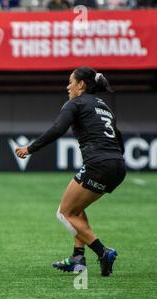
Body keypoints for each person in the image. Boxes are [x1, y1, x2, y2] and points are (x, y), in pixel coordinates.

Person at [15, 67, 126, 277]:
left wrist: (30, 149)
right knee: (76, 208)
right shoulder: (104, 107)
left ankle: (103, 252)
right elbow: (118, 138)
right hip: (117, 165)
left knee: (64, 213)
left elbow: (58, 129)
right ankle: (77, 258)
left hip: (98, 164)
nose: (68, 87)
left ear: (81, 84)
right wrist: (113, 160)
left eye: (70, 82)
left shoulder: (75, 103)